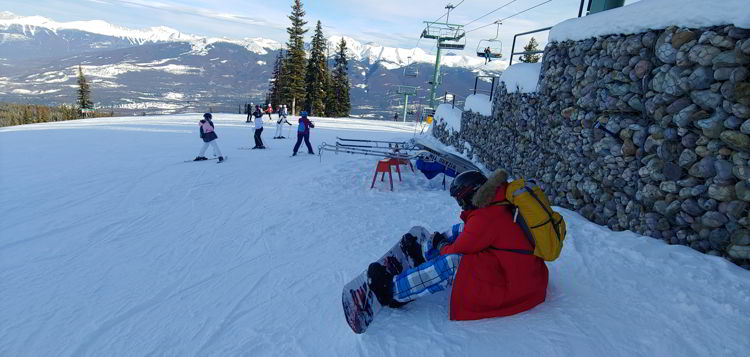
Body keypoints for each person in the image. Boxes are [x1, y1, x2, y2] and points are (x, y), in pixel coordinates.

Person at [367, 169, 549, 320]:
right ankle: (424, 251)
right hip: (523, 271)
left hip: (515, 286)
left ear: (470, 195)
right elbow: (471, 234)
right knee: (463, 229)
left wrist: (440, 247)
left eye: (460, 200)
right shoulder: (498, 200)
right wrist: (437, 245)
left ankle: (393, 291)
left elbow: (455, 251)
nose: (461, 206)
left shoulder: (487, 216)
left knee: (453, 264)